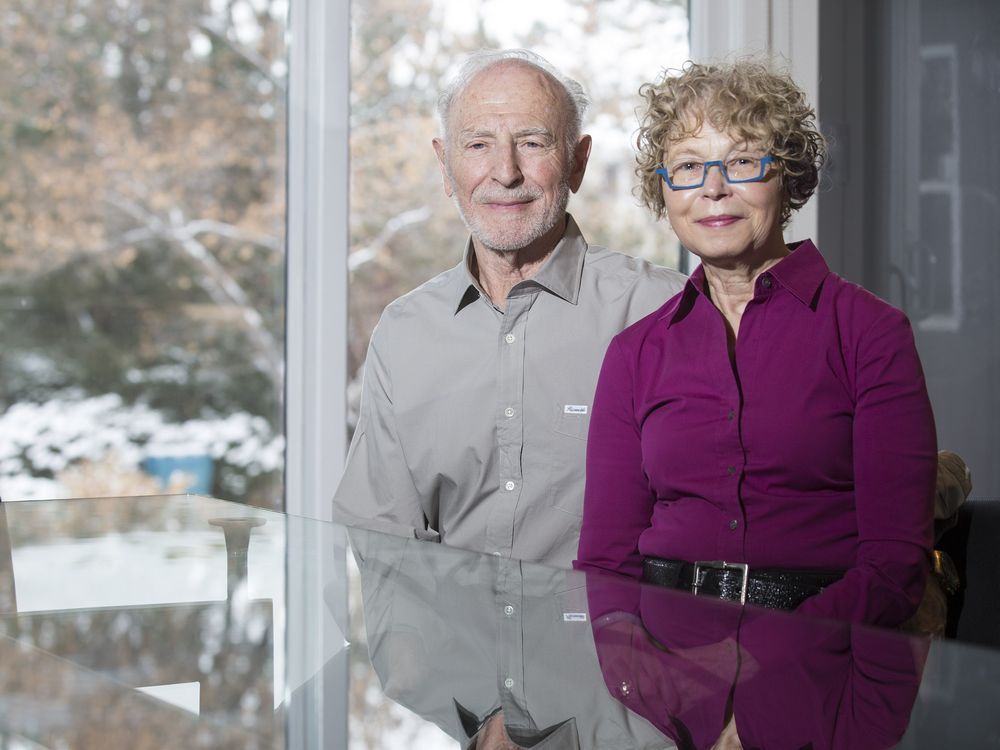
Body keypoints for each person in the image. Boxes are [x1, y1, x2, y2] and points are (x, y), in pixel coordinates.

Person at [575, 60, 937, 629]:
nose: (713, 189)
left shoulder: (870, 333)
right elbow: (605, 566)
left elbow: (895, 566)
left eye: (742, 161)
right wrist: (641, 679)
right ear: (664, 192)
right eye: (689, 167)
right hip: (668, 675)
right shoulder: (633, 354)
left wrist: (770, 664)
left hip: (824, 664)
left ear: (786, 175)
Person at [333, 50, 686, 568]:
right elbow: (386, 552)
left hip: (611, 647)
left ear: (578, 161)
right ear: (445, 165)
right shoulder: (404, 333)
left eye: (532, 142)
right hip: (453, 648)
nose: (505, 172)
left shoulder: (665, 313)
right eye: (478, 144)